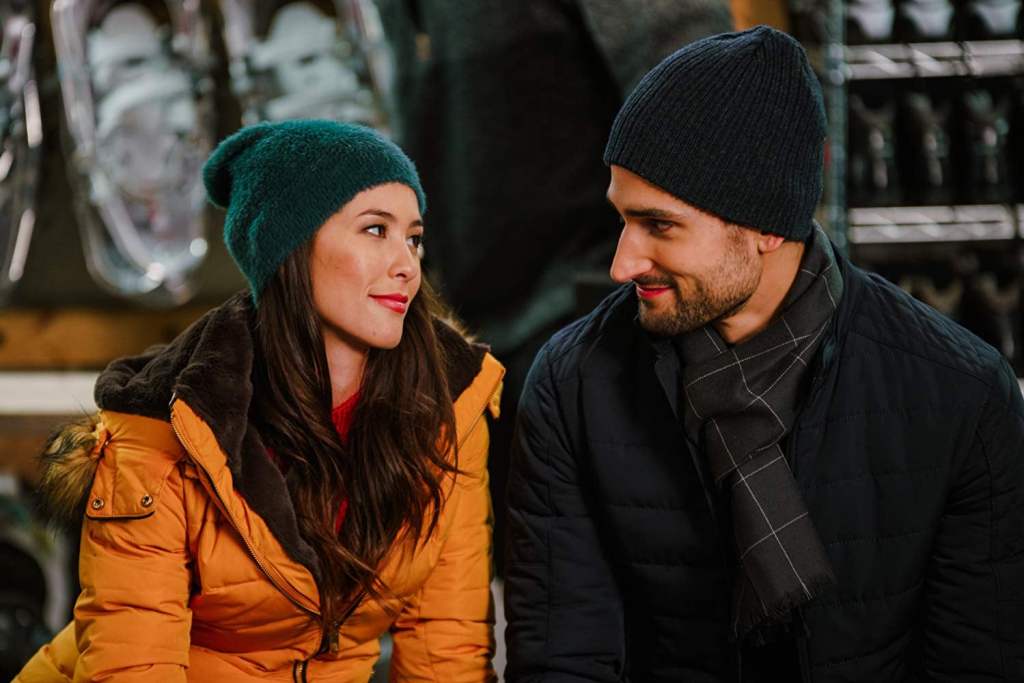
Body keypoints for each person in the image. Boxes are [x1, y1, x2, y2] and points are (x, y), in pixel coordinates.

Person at [504, 26, 1024, 682]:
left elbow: (976, 664)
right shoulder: (573, 385)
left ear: (765, 227)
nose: (621, 262)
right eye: (622, 218)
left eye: (659, 225)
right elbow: (563, 661)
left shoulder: (962, 395)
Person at [17, 120, 503, 682]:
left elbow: (445, 648)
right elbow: (134, 664)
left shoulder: (447, 403)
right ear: (289, 247)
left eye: (413, 238)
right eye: (375, 230)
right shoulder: (161, 426)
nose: (407, 265)